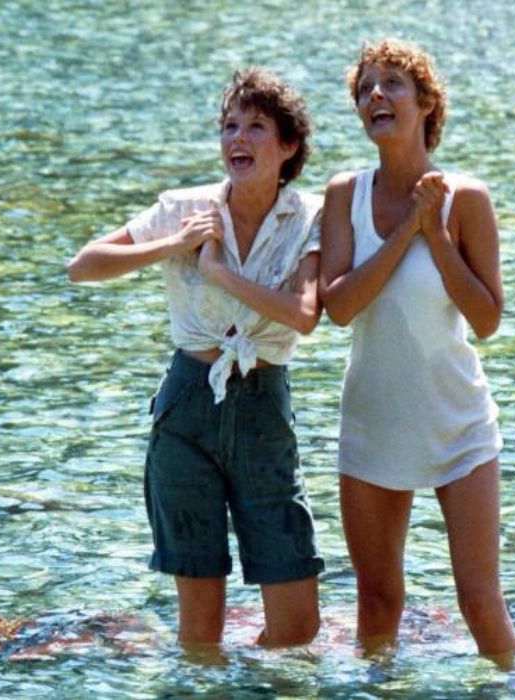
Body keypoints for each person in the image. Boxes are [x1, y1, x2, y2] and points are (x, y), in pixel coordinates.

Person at [66, 68, 325, 651]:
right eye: (230, 126)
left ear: (288, 146)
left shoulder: (313, 214)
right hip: (186, 407)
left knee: (297, 624)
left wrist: (217, 272)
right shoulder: (185, 207)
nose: (238, 138)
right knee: (200, 631)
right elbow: (82, 266)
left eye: (256, 127)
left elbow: (305, 314)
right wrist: (174, 245)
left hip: (263, 408)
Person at [317, 38, 515, 667]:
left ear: (426, 102)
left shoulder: (468, 199)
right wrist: (408, 228)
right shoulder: (343, 194)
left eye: (391, 84)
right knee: (377, 603)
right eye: (364, 88)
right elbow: (340, 306)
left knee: (479, 600)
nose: (375, 95)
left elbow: (486, 319)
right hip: (374, 422)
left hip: (458, 423)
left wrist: (437, 233)